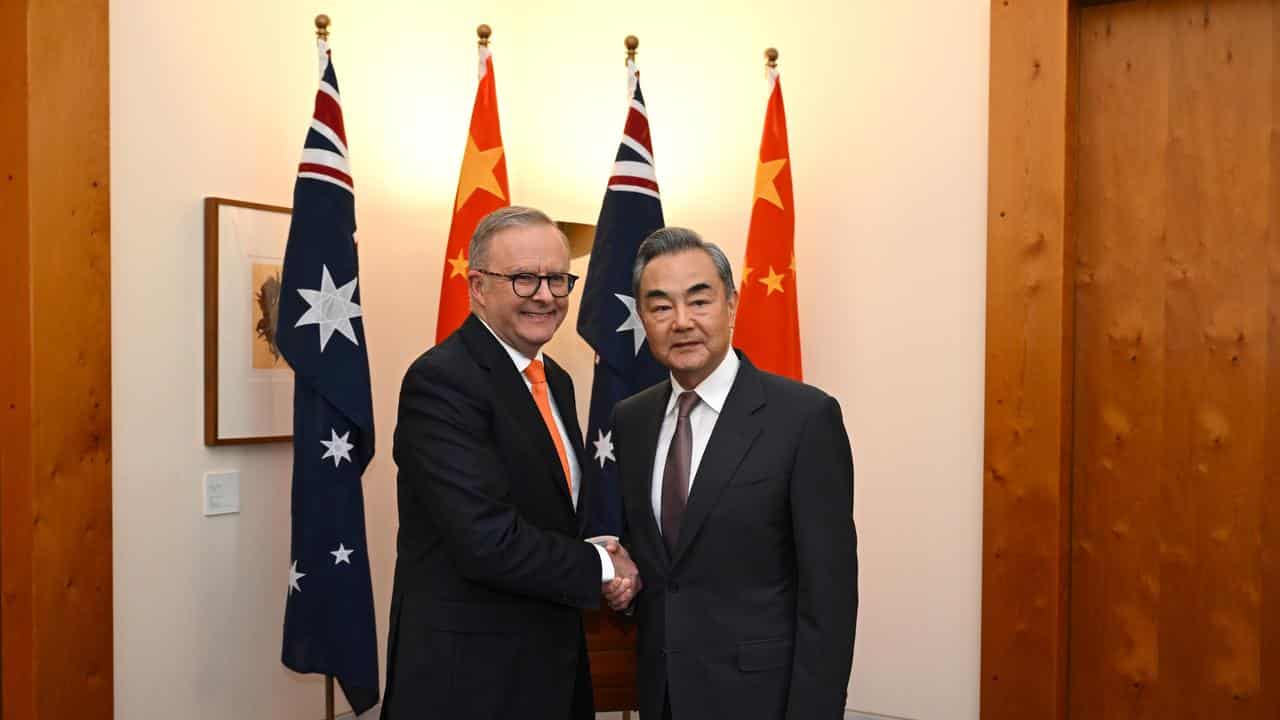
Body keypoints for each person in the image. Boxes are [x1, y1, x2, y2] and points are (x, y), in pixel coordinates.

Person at [382, 206, 640, 720]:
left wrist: (594, 547)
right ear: (478, 286)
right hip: (469, 682)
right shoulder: (442, 382)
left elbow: (546, 512)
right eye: (524, 279)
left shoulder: (556, 380)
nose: (545, 295)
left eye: (557, 279)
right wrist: (603, 565)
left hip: (551, 667)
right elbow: (486, 541)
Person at [606, 226, 858, 719]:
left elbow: (829, 597)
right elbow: (664, 563)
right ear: (642, 319)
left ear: (731, 306)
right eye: (660, 307)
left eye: (699, 302)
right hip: (662, 697)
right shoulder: (630, 420)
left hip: (762, 701)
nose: (681, 322)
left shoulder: (804, 419)